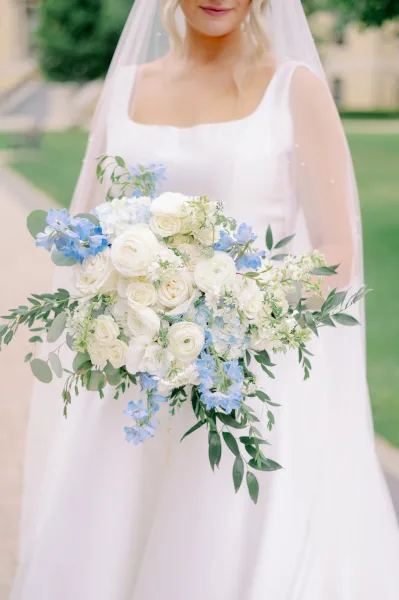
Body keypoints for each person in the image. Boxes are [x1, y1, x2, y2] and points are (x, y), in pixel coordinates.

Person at [11, 1, 399, 599]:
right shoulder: (126, 90)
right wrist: (124, 308)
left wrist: (246, 320)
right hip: (133, 386)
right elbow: (85, 231)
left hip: (246, 391)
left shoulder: (294, 90)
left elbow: (334, 251)